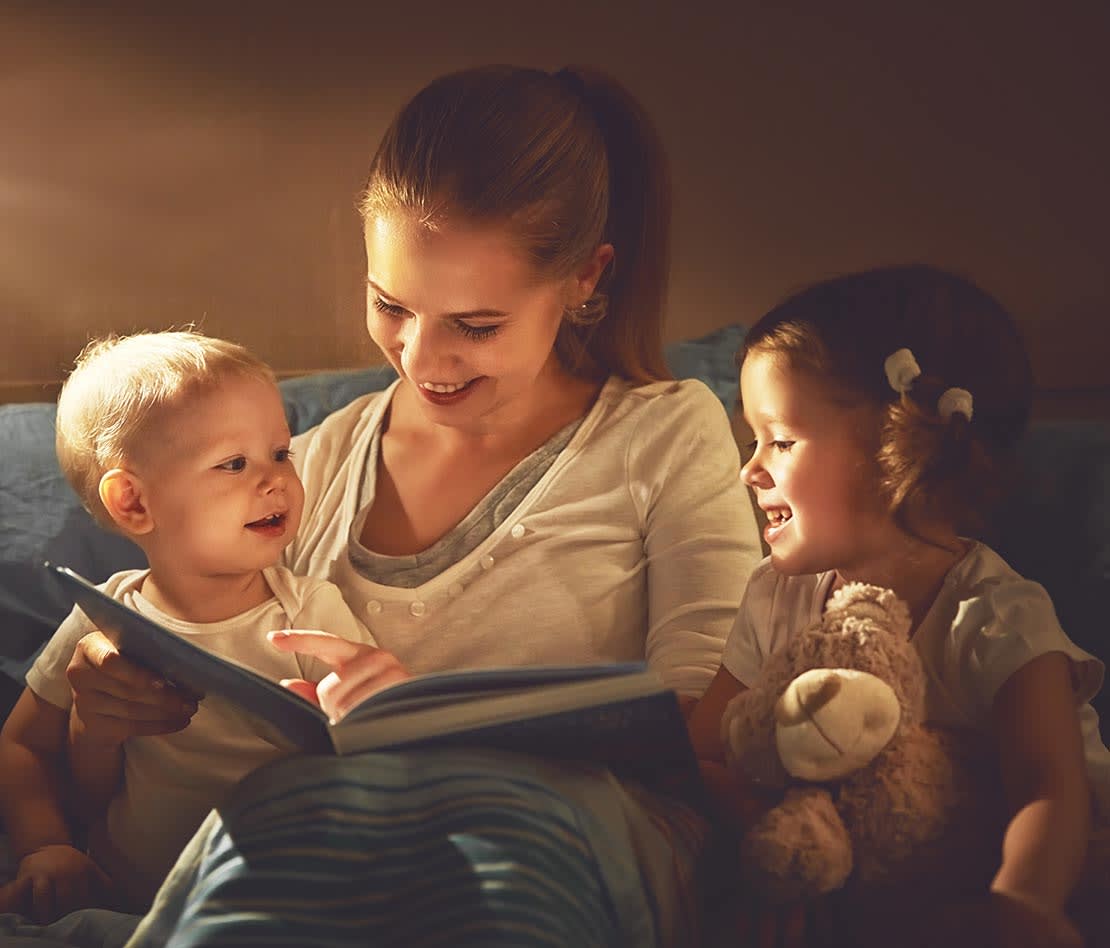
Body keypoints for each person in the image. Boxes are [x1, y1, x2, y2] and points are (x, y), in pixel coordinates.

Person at [40, 65, 763, 947]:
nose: (424, 358)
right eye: (392, 306)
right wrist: (101, 720)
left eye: (477, 324)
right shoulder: (308, 464)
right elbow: (156, 796)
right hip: (315, 836)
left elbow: (715, 743)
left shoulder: (665, 432)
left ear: (584, 280)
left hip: (552, 843)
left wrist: (456, 732)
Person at [687, 264, 1110, 948]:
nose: (750, 468)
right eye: (751, 439)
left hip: (1045, 866)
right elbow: (709, 748)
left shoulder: (994, 614)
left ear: (894, 447)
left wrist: (1024, 902)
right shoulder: (775, 594)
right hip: (872, 878)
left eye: (781, 440)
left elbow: (1048, 787)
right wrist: (770, 844)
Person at [0, 331, 375, 921]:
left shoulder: (308, 614)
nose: (276, 480)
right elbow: (21, 745)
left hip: (281, 896)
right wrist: (46, 847)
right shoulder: (102, 617)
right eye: (234, 463)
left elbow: (381, 741)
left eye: (281, 453)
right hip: (130, 898)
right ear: (132, 503)